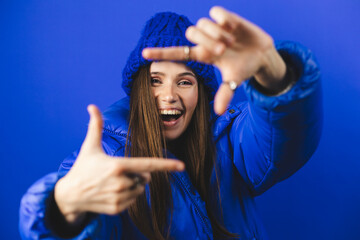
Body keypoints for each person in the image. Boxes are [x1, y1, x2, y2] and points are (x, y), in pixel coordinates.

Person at [19, 6, 322, 240]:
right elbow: (83, 211)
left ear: (201, 92)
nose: (169, 96)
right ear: (138, 90)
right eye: (155, 81)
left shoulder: (232, 138)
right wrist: (65, 206)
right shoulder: (110, 156)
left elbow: (285, 137)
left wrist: (272, 73)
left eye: (185, 82)